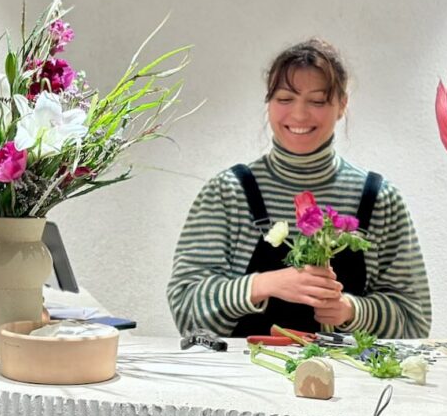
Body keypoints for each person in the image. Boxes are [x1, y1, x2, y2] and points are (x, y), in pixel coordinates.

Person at [167, 38, 431, 339]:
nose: (300, 115)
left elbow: (415, 321)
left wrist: (351, 311)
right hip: (245, 379)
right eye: (284, 99)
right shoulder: (227, 193)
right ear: (268, 103)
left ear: (342, 105)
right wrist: (265, 285)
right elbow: (186, 310)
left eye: (318, 101)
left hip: (351, 380)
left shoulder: (380, 199)